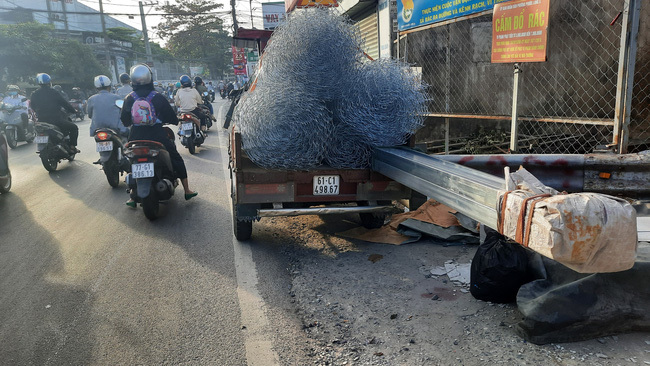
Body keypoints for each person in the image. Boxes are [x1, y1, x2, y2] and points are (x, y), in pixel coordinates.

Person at [120, 64, 197, 206]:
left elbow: (124, 120)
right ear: (150, 78)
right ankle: (187, 190)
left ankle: (132, 195)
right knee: (176, 158)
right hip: (157, 135)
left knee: (131, 161)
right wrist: (173, 120)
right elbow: (171, 117)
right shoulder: (158, 97)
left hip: (135, 137)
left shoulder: (129, 98)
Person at [30, 73, 79, 151]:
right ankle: (72, 146)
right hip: (56, 120)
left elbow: (32, 106)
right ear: (49, 82)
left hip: (41, 120)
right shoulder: (54, 92)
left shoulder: (34, 94)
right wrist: (73, 111)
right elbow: (64, 103)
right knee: (74, 128)